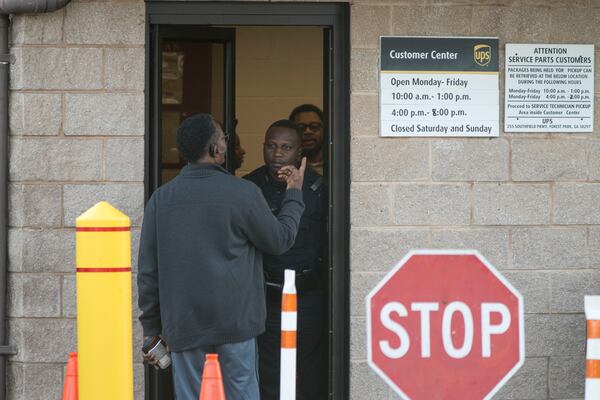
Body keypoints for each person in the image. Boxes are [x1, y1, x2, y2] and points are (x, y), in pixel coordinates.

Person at [137, 113, 307, 400]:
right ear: (216, 150)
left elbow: (148, 273)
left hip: (184, 325)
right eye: (223, 138)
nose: (226, 143)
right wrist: (294, 193)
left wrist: (152, 329)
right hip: (236, 324)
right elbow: (280, 240)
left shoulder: (161, 200)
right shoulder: (243, 193)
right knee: (241, 392)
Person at [244, 120, 327, 400]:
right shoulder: (248, 188)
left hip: (308, 294)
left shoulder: (319, 187)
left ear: (299, 151)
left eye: (286, 147)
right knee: (269, 370)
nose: (277, 154)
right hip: (267, 294)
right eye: (271, 146)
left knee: (309, 370)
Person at [289, 104, 325, 175]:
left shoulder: (336, 165)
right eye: (301, 127)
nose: (308, 132)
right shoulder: (286, 168)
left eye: (314, 126)